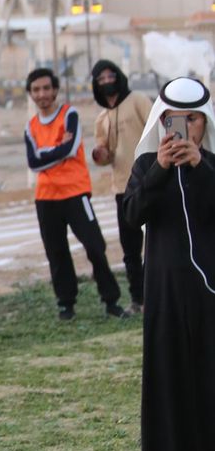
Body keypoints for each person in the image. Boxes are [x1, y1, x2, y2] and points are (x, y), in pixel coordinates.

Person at [122, 77, 215, 451]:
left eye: (192, 119)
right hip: (164, 293)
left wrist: (200, 167)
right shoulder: (146, 166)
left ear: (204, 123)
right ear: (162, 123)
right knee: (172, 384)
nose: (185, 128)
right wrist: (160, 169)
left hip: (208, 293)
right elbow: (131, 215)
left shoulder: (211, 165)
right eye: (175, 120)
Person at [24, 67, 125, 320]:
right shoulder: (31, 126)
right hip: (46, 197)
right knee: (56, 251)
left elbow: (68, 149)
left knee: (94, 246)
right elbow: (33, 163)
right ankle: (66, 303)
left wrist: (47, 153)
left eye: (46, 88)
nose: (42, 94)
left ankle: (111, 300)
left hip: (75, 192)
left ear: (55, 90)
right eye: (36, 90)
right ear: (31, 94)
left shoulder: (70, 114)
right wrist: (54, 151)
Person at [91, 59, 152, 312]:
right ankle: (139, 299)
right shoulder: (102, 118)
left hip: (150, 182)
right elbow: (105, 156)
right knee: (130, 250)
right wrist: (100, 155)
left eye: (110, 76)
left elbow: (156, 129)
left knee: (156, 243)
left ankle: (157, 294)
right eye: (101, 79)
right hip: (122, 189)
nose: (107, 81)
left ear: (119, 77)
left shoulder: (138, 101)